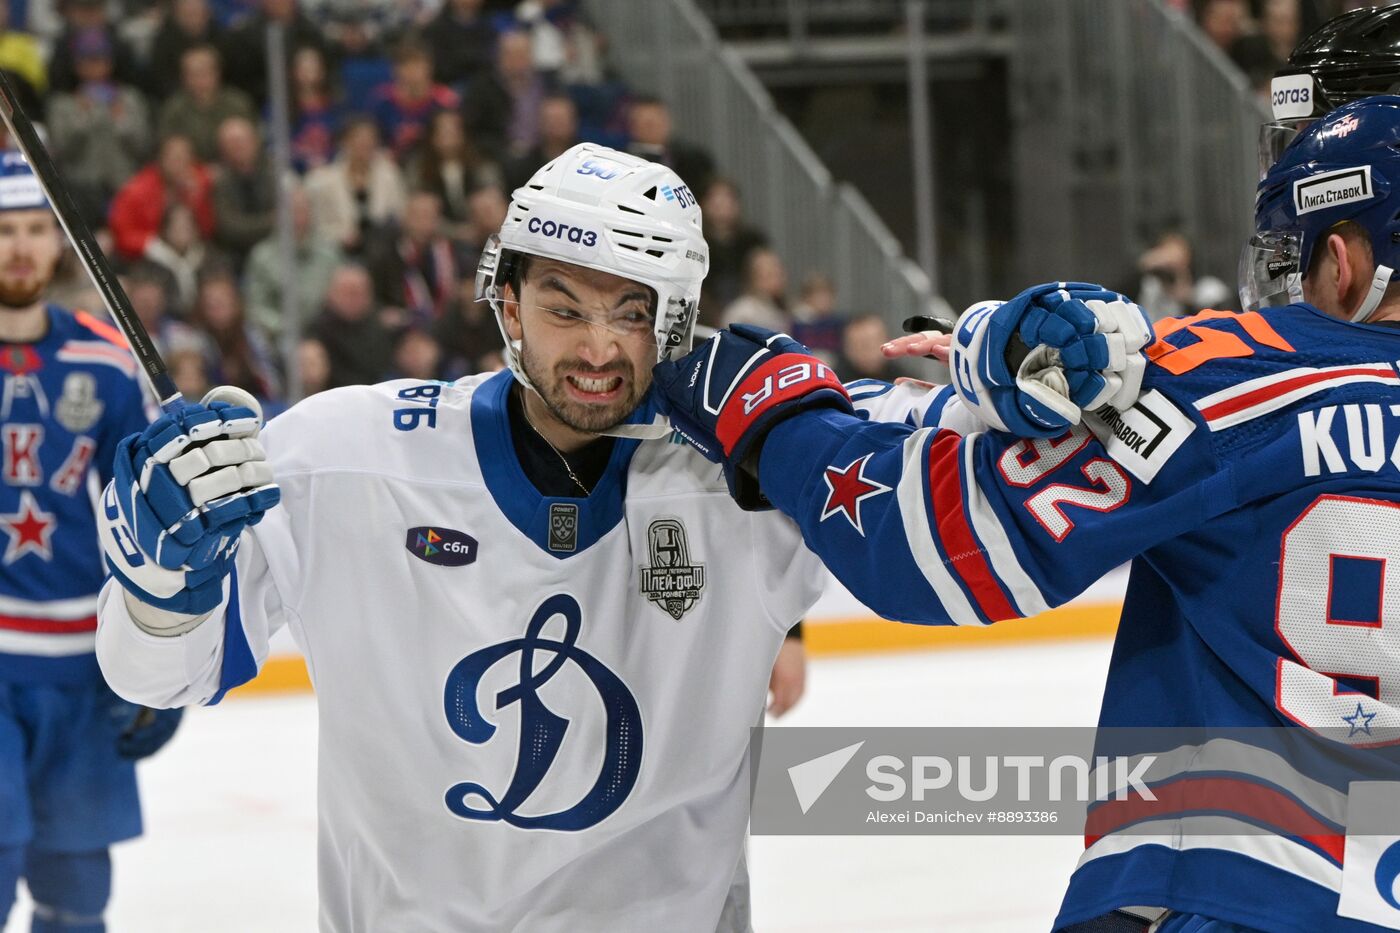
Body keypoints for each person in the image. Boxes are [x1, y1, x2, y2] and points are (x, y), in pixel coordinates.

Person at [89, 142, 1123, 931]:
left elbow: (966, 450)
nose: (596, 349)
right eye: (563, 307)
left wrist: (1018, 369)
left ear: (676, 317)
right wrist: (161, 582)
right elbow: (159, 676)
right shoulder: (343, 457)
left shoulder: (753, 461)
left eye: (631, 312)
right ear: (505, 301)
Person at [652, 94, 1400, 933]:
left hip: (1242, 889)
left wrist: (773, 419)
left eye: (1302, 258)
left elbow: (934, 541)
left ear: (1343, 261)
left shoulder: (1244, 375)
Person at [0, 152, 181, 933]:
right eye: (4, 230)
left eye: (34, 229)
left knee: (77, 896)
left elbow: (153, 521)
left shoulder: (106, 362)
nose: (20, 248)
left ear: (58, 242)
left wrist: (159, 653)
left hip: (82, 664)